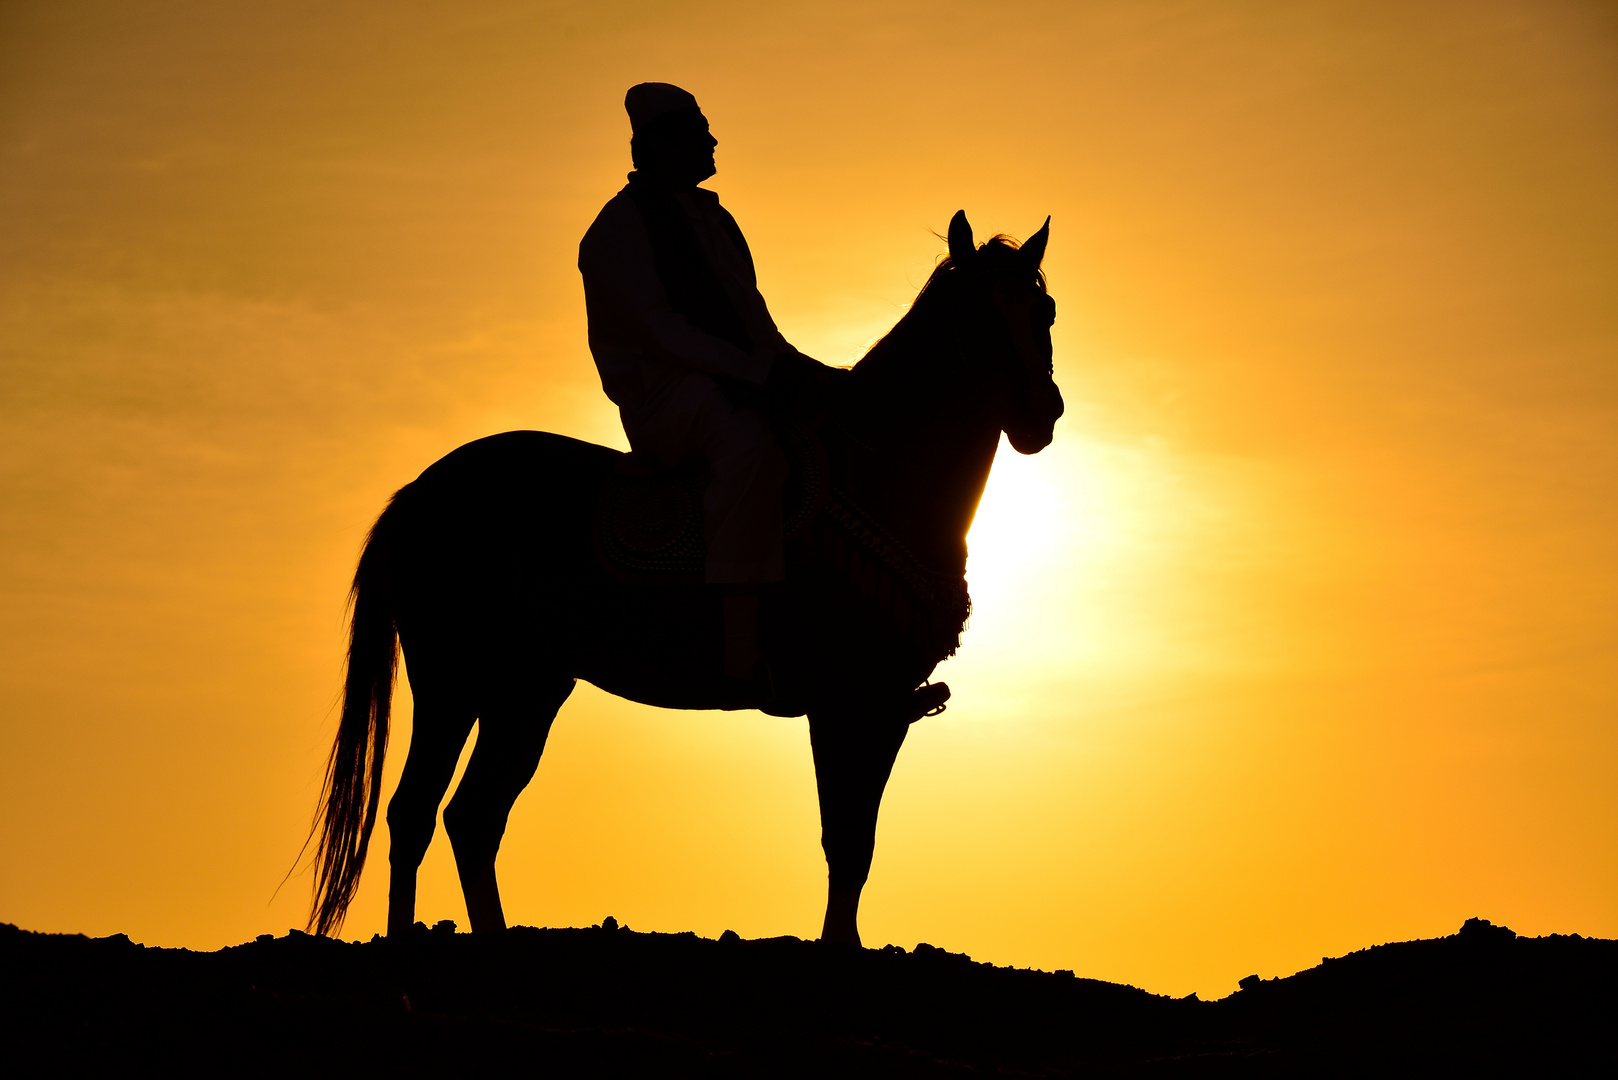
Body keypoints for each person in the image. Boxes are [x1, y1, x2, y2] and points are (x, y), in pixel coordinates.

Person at [578, 82, 834, 690]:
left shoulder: (716, 220)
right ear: (660, 143)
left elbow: (753, 318)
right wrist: (758, 373)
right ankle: (740, 651)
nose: (712, 140)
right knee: (750, 450)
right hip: (665, 395)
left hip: (726, 378)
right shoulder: (616, 231)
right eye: (698, 130)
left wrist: (804, 372)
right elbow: (661, 332)